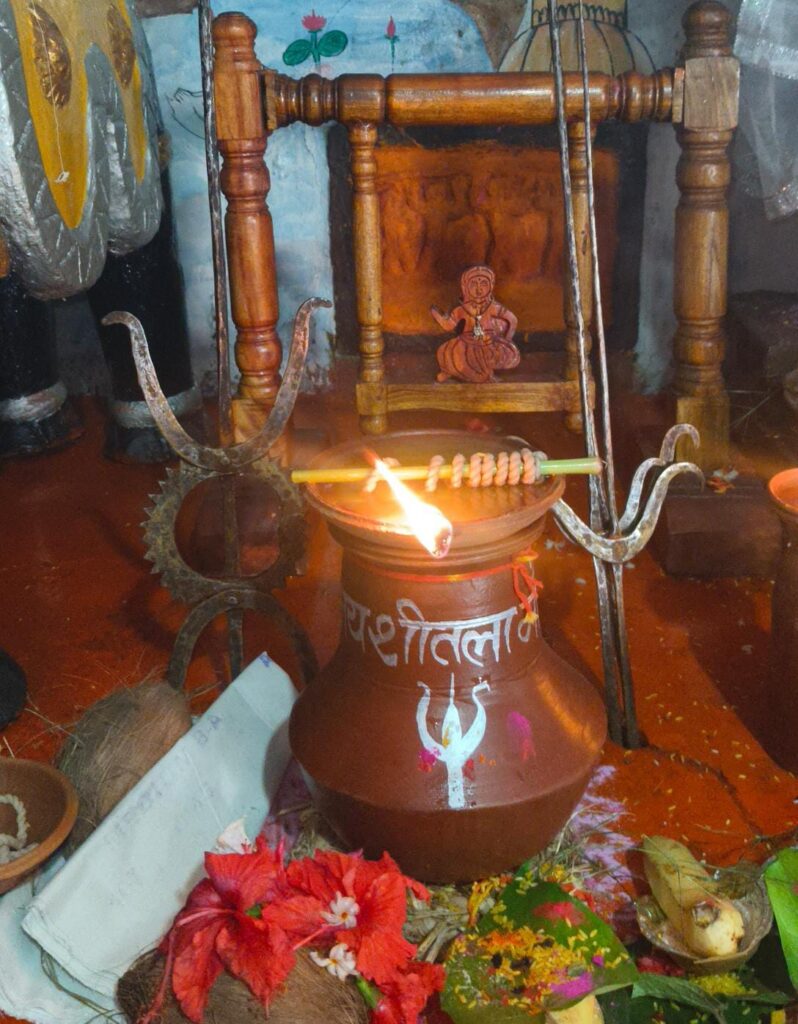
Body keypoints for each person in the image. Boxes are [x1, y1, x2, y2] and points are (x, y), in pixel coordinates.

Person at [431, 265, 520, 383]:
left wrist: (507, 338)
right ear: (465, 287)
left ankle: (483, 376)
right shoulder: (461, 309)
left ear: (491, 286)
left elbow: (512, 319)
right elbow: (449, 326)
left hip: (487, 344)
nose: (479, 289)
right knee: (445, 352)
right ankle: (449, 371)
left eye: (483, 284)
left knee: (484, 362)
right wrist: (437, 316)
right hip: (465, 343)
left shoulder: (492, 308)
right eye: (473, 284)